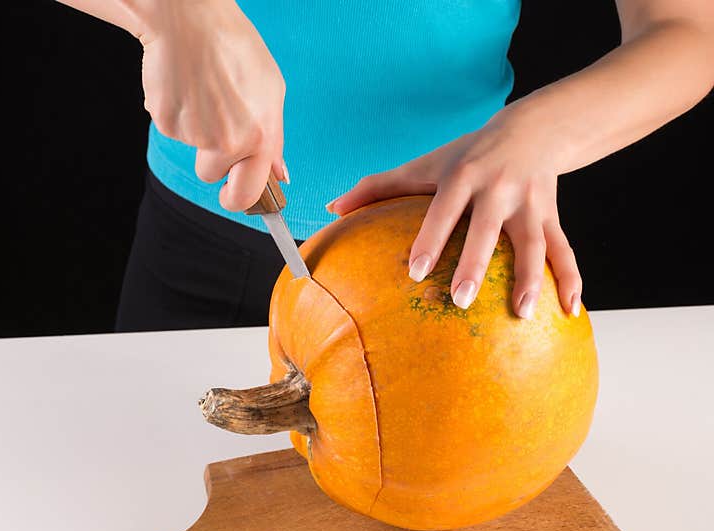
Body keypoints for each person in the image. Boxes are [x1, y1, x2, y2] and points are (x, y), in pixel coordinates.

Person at [58, 1, 714, 331]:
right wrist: (176, 12)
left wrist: (537, 133)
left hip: (453, 260)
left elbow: (688, 29)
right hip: (201, 252)